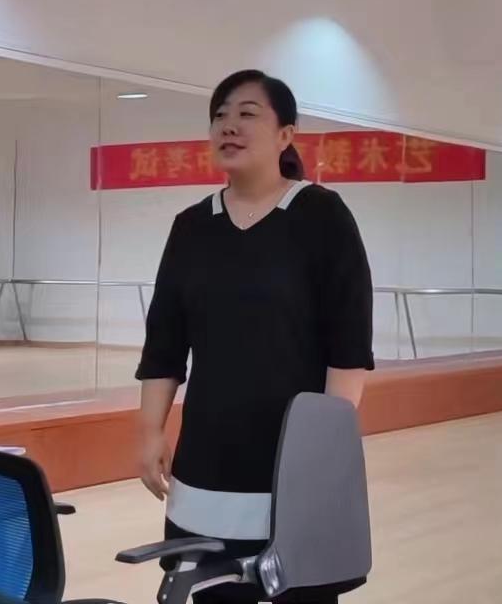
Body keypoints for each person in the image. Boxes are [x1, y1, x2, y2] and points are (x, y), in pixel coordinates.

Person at [136, 70, 374, 604]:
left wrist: (323, 450)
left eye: (247, 114)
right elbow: (165, 342)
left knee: (302, 589)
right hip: (208, 455)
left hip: (295, 453)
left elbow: (349, 345)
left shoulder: (322, 216)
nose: (229, 126)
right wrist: (150, 430)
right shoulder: (192, 226)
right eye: (219, 115)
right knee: (210, 589)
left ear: (285, 135)